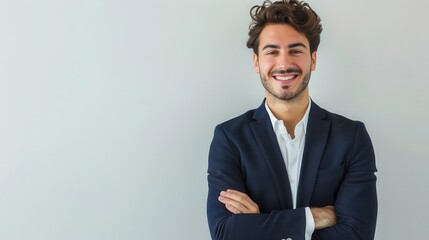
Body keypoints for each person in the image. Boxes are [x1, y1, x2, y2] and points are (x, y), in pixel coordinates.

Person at [206, 0, 378, 239]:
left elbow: (358, 234)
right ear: (257, 62)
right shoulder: (229, 138)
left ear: (313, 60)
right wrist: (314, 217)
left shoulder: (351, 136)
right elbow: (225, 233)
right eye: (272, 52)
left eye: (296, 51)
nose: (284, 63)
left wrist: (260, 225)